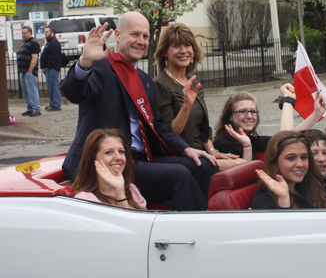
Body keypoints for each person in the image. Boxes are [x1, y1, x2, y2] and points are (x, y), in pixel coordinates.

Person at [60, 11, 219, 211]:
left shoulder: (144, 80)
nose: (141, 41)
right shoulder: (100, 67)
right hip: (105, 161)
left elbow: (158, 126)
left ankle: (205, 216)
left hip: (138, 159)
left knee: (203, 165)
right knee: (179, 175)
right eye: (135, 34)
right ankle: (191, 229)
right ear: (118, 36)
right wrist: (84, 63)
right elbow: (71, 92)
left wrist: (186, 148)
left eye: (145, 36)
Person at [153, 23, 245, 170]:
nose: (183, 51)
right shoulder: (159, 84)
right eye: (176, 46)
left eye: (187, 45)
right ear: (165, 51)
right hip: (183, 157)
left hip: (203, 152)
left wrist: (212, 151)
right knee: (243, 167)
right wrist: (186, 106)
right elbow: (170, 135)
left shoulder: (194, 81)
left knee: (245, 164)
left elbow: (202, 127)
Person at [251, 131, 326, 209]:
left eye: (304, 157)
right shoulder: (263, 200)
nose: (300, 164)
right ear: (274, 161)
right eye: (291, 158)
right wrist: (283, 200)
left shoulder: (311, 188)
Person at [72, 129, 147, 209]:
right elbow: (125, 221)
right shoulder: (84, 199)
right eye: (109, 152)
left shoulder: (132, 189)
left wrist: (120, 190)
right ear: (92, 159)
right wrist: (119, 191)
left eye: (121, 151)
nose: (118, 157)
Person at [213, 92, 270, 162]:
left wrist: (286, 100)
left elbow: (282, 140)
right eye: (243, 111)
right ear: (230, 116)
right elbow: (244, 171)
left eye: (253, 111)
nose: (249, 116)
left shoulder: (251, 139)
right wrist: (247, 146)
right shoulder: (223, 143)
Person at [18, 26, 41, 117]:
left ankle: (36, 109)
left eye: (25, 33)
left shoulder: (33, 43)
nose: (23, 35)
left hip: (29, 72)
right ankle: (30, 108)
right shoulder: (25, 43)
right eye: (22, 33)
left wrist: (30, 70)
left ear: (30, 33)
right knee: (26, 91)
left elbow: (34, 58)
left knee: (32, 90)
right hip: (22, 71)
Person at [40, 26, 62, 111]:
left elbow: (54, 57)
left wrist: (49, 66)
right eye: (45, 32)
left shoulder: (54, 43)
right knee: (51, 87)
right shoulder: (50, 42)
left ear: (51, 33)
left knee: (54, 86)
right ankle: (53, 104)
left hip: (52, 68)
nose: (45, 34)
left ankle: (56, 105)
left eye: (46, 32)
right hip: (50, 68)